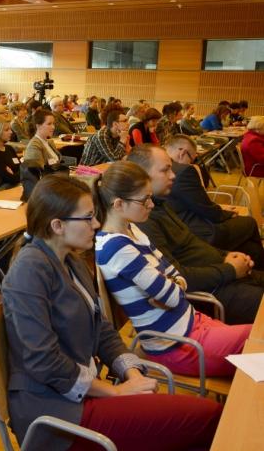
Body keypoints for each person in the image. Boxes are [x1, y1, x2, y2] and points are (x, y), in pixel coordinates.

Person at [3, 173, 222, 451]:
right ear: (57, 225)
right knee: (207, 419)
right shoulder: (29, 271)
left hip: (79, 396)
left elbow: (102, 327)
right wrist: (115, 391)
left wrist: (130, 372)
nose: (96, 224)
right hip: (56, 415)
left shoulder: (71, 259)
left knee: (195, 421)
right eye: (88, 217)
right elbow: (44, 361)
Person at [95, 161, 251, 377]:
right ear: (119, 204)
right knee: (256, 339)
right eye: (144, 199)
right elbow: (174, 296)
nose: (151, 204)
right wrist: (171, 288)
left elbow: (177, 278)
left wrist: (171, 288)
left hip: (190, 324)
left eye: (150, 197)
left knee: (256, 338)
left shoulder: (132, 229)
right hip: (177, 345)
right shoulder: (116, 248)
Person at [127, 145, 264, 324]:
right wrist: (230, 269)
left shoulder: (159, 203)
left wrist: (227, 255)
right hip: (210, 293)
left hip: (221, 275)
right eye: (165, 170)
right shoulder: (145, 220)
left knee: (252, 250)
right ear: (141, 175)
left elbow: (193, 243)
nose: (173, 175)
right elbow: (177, 276)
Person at [164, 134, 264, 266]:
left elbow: (198, 204)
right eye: (192, 159)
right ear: (182, 153)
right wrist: (228, 214)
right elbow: (205, 208)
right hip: (195, 232)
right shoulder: (182, 171)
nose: (192, 164)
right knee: (249, 223)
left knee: (250, 248)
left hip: (178, 229)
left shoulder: (156, 168)